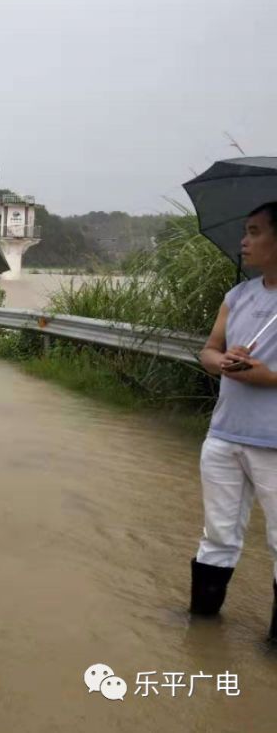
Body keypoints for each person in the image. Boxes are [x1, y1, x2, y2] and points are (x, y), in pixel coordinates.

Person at [191, 201, 277, 641]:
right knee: (217, 535)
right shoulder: (238, 296)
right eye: (245, 230)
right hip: (224, 435)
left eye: (255, 231)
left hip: (273, 444)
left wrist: (269, 377)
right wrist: (222, 361)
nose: (244, 240)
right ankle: (201, 628)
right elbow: (208, 349)